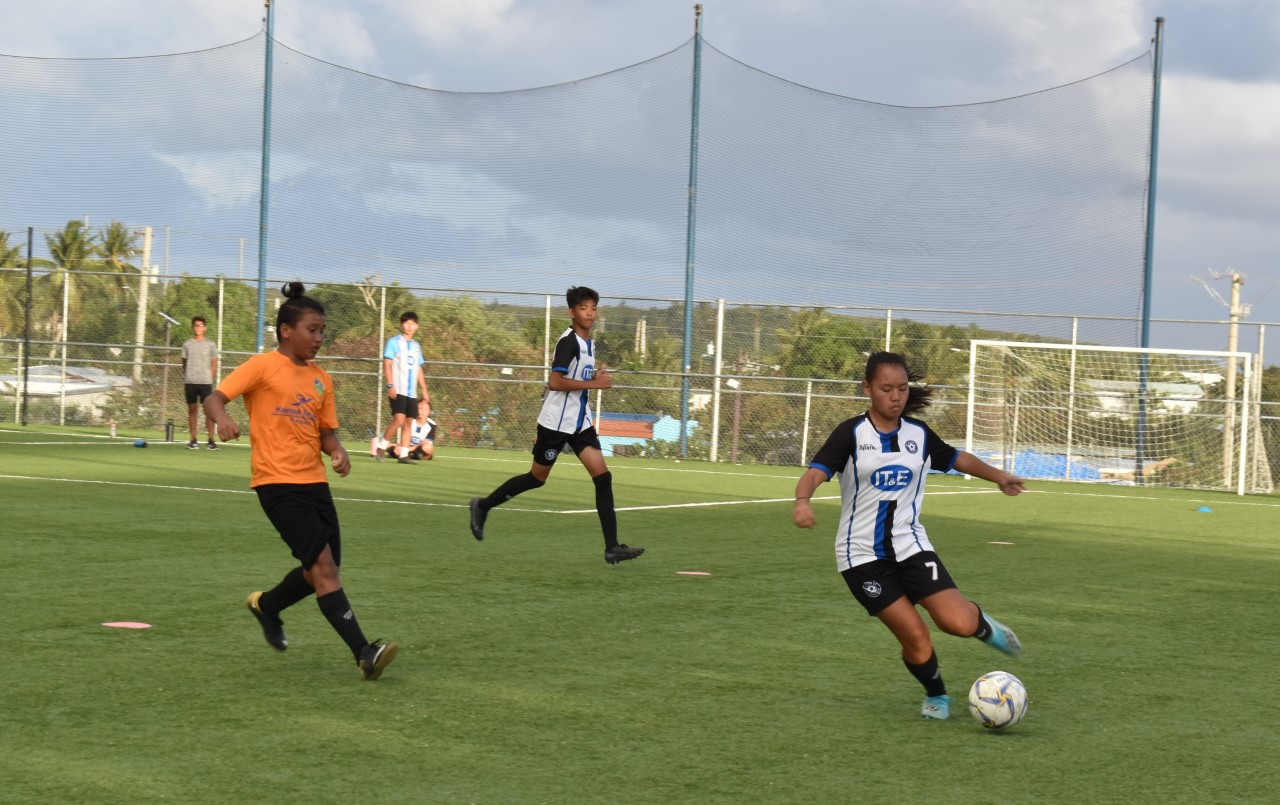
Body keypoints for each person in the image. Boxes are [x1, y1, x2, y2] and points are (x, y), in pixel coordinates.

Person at [792, 351, 1024, 720]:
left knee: (957, 623)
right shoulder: (851, 434)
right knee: (916, 638)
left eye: (901, 388)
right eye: (886, 389)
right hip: (862, 558)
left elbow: (956, 458)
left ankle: (983, 625)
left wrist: (999, 476)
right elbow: (815, 472)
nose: (896, 396)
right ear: (868, 388)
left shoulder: (918, 434)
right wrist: (803, 500)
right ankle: (937, 694)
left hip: (911, 547)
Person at [204, 282, 397, 681]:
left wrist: (338, 450)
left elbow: (326, 431)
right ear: (285, 330)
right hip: (277, 484)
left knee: (321, 573)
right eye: (312, 329)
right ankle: (364, 652)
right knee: (324, 569)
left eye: (322, 331)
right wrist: (222, 419)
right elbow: (214, 398)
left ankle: (268, 606)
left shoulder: (321, 379)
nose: (319, 338)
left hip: (316, 484)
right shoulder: (262, 366)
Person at [468, 286, 644, 565]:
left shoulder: (589, 343)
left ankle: (612, 547)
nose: (589, 313)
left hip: (579, 424)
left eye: (593, 308)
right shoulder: (569, 342)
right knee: (536, 479)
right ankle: (483, 505)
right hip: (555, 423)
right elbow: (555, 382)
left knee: (603, 477)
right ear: (571, 312)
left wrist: (594, 375)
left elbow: (577, 378)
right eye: (584, 308)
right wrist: (595, 383)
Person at [372, 311, 429, 465]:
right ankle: (381, 447)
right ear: (401, 324)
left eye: (412, 323)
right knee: (398, 419)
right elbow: (387, 364)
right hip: (398, 389)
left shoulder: (416, 346)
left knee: (409, 422)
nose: (409, 326)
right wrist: (390, 385)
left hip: (412, 393)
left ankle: (404, 455)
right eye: (406, 323)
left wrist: (424, 389)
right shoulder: (393, 342)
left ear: (417, 326)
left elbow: (418, 368)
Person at [180, 316, 219, 450]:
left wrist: (211, 377)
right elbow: (184, 362)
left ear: (205, 328)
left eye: (201, 326)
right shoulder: (187, 344)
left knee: (208, 410)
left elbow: (214, 362)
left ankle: (211, 440)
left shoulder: (210, 344)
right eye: (196, 326)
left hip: (205, 382)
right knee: (192, 409)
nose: (198, 328)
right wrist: (188, 375)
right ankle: (193, 439)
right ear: (192, 327)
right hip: (190, 381)